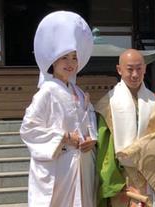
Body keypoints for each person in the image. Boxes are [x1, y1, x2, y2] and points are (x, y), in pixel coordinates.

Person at [20, 11, 97, 207]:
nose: (70, 63)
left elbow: (90, 123)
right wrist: (63, 136)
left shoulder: (79, 92)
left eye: (74, 58)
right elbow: (28, 129)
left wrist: (90, 139)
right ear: (53, 61)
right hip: (59, 167)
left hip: (81, 166)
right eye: (64, 58)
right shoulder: (47, 92)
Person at [95, 49, 155, 207]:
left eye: (139, 69)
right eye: (130, 69)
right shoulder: (108, 104)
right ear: (119, 69)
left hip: (151, 177)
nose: (135, 74)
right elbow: (105, 150)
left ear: (145, 68)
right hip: (122, 178)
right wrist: (116, 185)